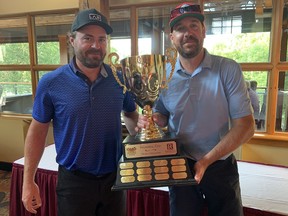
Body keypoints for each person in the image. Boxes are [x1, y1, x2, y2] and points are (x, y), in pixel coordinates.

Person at [136, 2, 255, 216]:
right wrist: (151, 120)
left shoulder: (227, 69)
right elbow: (162, 113)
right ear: (171, 36)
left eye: (193, 26)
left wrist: (206, 161)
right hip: (179, 163)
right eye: (180, 28)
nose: (187, 33)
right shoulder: (164, 73)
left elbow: (246, 126)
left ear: (204, 32)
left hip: (220, 165)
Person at [22, 8, 138, 216]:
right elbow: (37, 132)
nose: (96, 45)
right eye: (88, 38)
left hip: (115, 178)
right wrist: (28, 180)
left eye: (102, 39)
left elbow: (130, 114)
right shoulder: (51, 82)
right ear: (72, 40)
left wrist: (139, 128)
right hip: (74, 183)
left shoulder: (120, 79)